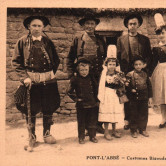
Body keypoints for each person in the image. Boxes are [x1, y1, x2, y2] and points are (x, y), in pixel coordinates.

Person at [12, 16, 60, 144]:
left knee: (48, 107)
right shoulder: (22, 42)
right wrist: (25, 78)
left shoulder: (48, 42)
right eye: (34, 25)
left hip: (48, 80)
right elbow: (16, 62)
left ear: (43, 27)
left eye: (39, 26)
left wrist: (49, 74)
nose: (37, 28)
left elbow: (56, 60)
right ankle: (32, 136)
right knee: (31, 108)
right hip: (30, 81)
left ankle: (47, 133)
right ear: (29, 27)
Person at [67, 12, 106, 134]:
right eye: (87, 24)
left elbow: (105, 57)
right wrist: (71, 73)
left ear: (95, 25)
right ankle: (84, 127)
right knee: (84, 101)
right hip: (83, 76)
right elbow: (69, 58)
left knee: (97, 99)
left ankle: (96, 125)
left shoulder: (100, 39)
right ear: (83, 26)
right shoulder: (78, 39)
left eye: (92, 24)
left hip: (98, 75)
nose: (90, 26)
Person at [117, 13, 152, 130]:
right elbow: (118, 57)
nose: (132, 26)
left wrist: (144, 66)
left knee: (140, 98)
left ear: (139, 25)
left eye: (135, 24)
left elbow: (149, 56)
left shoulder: (145, 40)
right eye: (130, 24)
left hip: (140, 71)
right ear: (127, 25)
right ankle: (127, 121)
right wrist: (120, 72)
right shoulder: (121, 40)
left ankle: (139, 123)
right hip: (127, 72)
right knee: (128, 98)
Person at [67, 57, 99, 144]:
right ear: (78, 70)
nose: (84, 72)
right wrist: (77, 99)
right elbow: (69, 91)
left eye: (86, 70)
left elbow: (96, 89)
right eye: (82, 70)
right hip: (81, 105)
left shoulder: (92, 78)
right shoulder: (75, 79)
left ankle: (92, 136)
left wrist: (97, 100)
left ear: (89, 69)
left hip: (92, 103)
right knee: (81, 121)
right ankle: (81, 137)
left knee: (92, 120)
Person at [98, 45, 124, 141]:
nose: (112, 66)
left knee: (114, 111)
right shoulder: (104, 73)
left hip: (115, 94)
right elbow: (101, 85)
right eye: (110, 64)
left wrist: (120, 82)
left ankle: (114, 130)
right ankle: (106, 132)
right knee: (107, 112)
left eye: (113, 64)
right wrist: (102, 96)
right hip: (107, 94)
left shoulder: (118, 73)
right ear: (106, 65)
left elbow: (122, 84)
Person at [126, 56, 153, 138]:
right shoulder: (130, 74)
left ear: (143, 65)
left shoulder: (145, 74)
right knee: (133, 114)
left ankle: (142, 129)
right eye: (136, 64)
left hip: (144, 97)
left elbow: (149, 86)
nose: (138, 66)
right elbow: (126, 86)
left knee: (143, 114)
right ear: (133, 65)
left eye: (140, 64)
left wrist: (150, 97)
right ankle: (133, 130)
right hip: (134, 98)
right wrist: (131, 89)